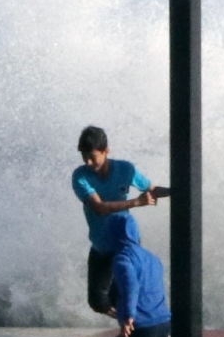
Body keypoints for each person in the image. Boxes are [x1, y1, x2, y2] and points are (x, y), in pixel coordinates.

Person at [71, 126, 168, 317]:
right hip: (101, 245)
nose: (89, 162)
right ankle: (131, 323)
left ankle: (138, 327)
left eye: (93, 157)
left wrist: (178, 190)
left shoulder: (126, 169)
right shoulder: (80, 176)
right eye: (85, 157)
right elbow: (99, 208)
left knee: (125, 295)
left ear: (106, 151)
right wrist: (136, 202)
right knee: (98, 302)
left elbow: (152, 189)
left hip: (126, 243)